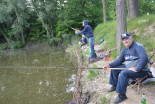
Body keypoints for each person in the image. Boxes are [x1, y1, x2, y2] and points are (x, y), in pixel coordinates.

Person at [103, 32, 149, 104]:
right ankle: (114, 85)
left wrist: (137, 68)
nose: (125, 41)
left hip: (141, 70)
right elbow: (119, 60)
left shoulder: (138, 46)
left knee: (124, 73)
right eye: (123, 40)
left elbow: (144, 58)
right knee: (114, 69)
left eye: (127, 38)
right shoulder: (125, 50)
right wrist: (109, 65)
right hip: (129, 67)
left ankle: (122, 95)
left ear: (131, 38)